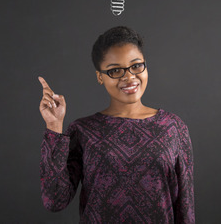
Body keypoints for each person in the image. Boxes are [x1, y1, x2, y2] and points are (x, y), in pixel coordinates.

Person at [38, 26, 195, 223]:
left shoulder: (173, 127)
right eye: (115, 70)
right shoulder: (82, 131)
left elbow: (185, 207)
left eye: (136, 66)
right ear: (100, 77)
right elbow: (54, 200)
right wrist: (54, 126)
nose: (129, 77)